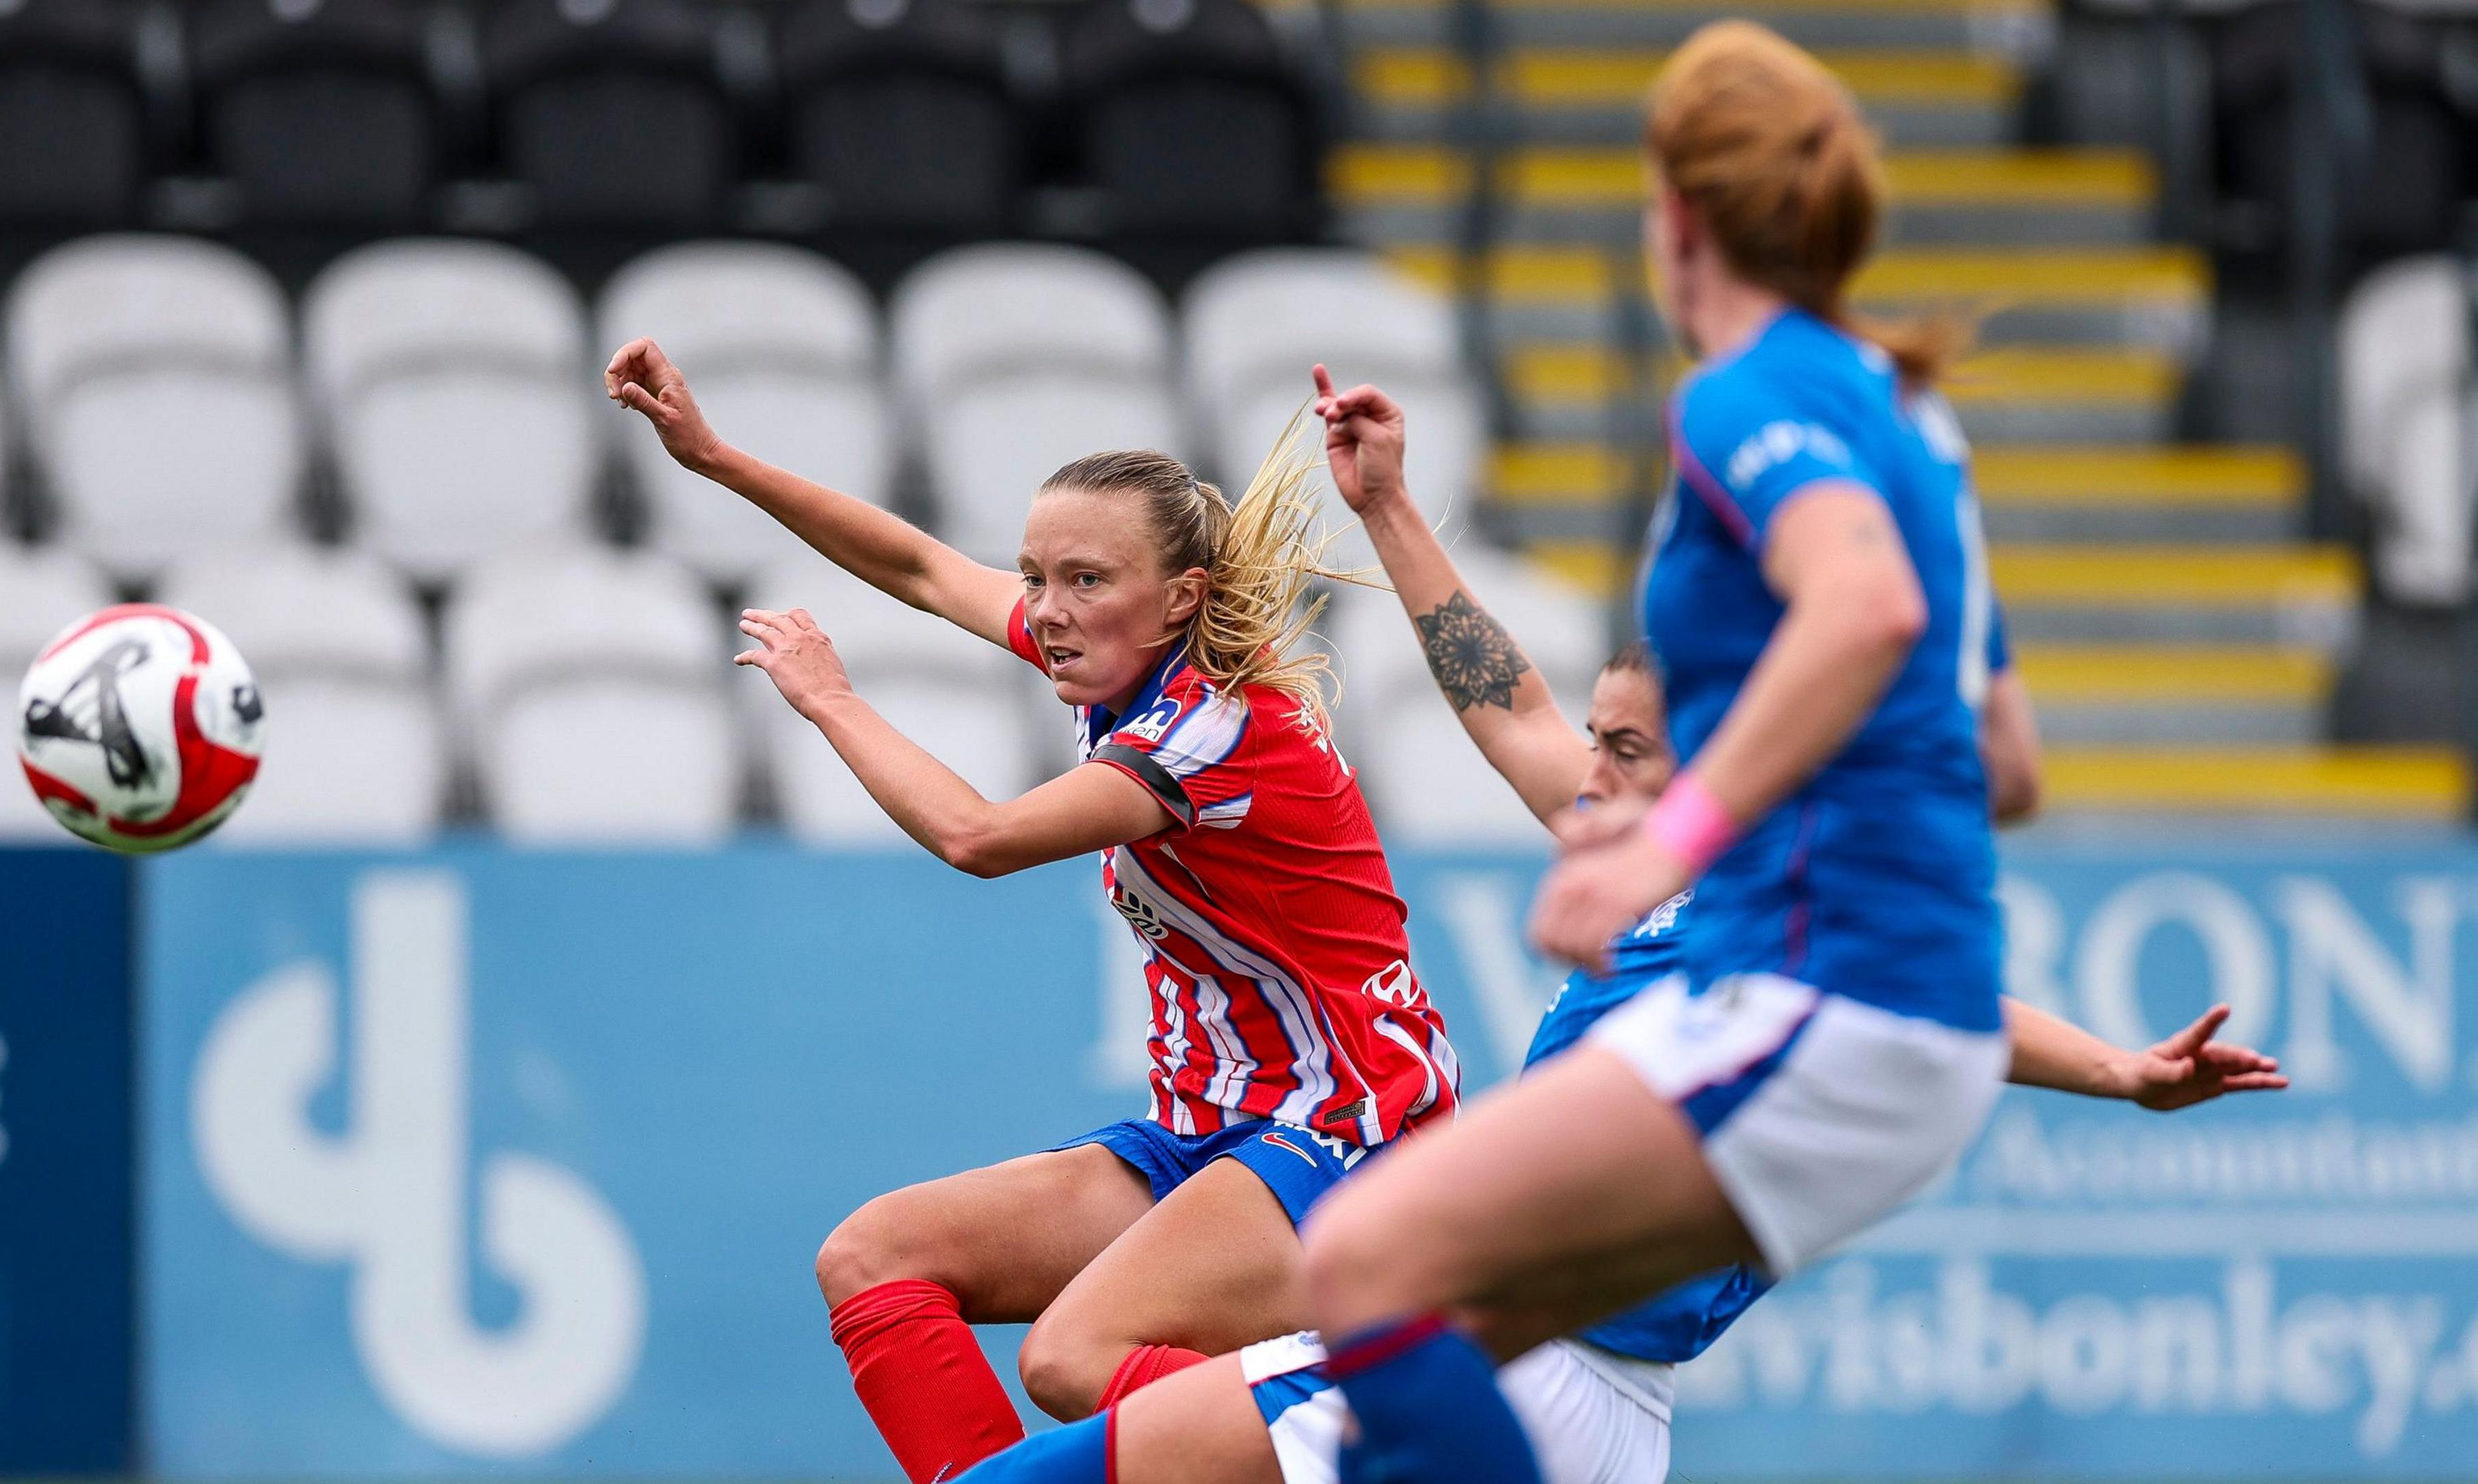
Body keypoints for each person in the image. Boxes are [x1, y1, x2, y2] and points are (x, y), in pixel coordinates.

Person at [933, 370, 2284, 1484]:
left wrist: (2119, 1070)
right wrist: (1392, 509)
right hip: (1522, 1377)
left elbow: (1956, 1007)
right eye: (1601, 741)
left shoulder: (1772, 912)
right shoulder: (1652, 871)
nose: (1589, 773)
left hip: (1537, 1381)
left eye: (1628, 749)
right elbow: (1504, 700)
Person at [1277, 23, 2122, 1480]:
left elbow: (1864, 608)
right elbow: (2008, 764)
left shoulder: (1742, 396)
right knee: (1417, 1345)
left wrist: (1671, 845)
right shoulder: (1912, 418)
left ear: (1675, 215)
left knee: (1363, 1264)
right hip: (1885, 1003)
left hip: (1823, 994)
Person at [604, 341, 1462, 1483]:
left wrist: (834, 702)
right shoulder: (1123, 667)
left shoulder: (1211, 732)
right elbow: (916, 564)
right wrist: (714, 460)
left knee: (1074, 1358)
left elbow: (980, 838)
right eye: (1036, 577)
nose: (1046, 613)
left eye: (1085, 582)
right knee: (875, 1257)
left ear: (1181, 600)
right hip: (1216, 1132)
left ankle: (1395, 1453)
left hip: (1355, 1134)